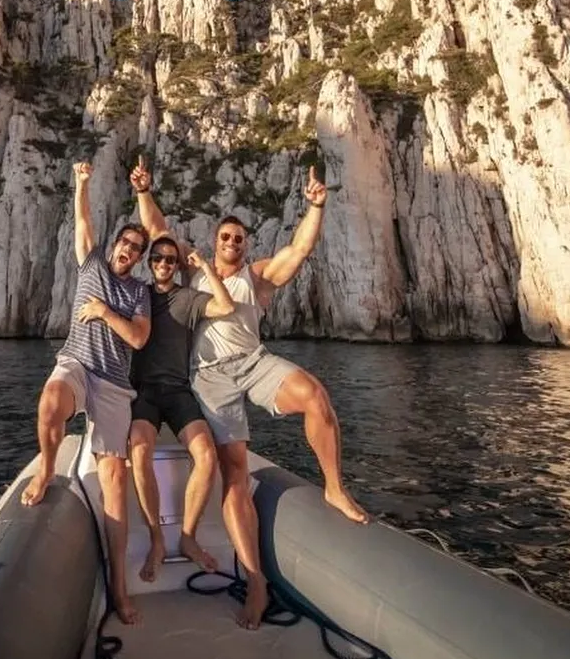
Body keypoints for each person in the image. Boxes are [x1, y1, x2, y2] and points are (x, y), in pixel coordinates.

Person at [131, 160, 369, 630]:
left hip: (256, 362)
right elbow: (157, 230)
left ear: (246, 245)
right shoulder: (193, 272)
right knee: (235, 472)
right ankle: (256, 582)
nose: (232, 242)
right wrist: (143, 192)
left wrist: (316, 206)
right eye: (226, 237)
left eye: (239, 238)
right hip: (210, 378)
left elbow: (299, 250)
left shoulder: (256, 277)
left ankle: (334, 487)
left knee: (315, 396)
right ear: (215, 240)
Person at [20, 161, 151, 626]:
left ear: (139, 257)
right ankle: (47, 471)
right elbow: (82, 221)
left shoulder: (139, 292)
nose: (128, 251)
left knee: (114, 478)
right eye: (125, 243)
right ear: (115, 245)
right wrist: (82, 183)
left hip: (113, 381)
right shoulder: (92, 262)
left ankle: (120, 584)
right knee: (50, 403)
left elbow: (138, 339)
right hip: (77, 362)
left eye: (137, 248)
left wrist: (103, 312)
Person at [127, 231, 235, 585]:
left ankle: (188, 536)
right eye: (157, 258)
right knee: (139, 450)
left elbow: (226, 307)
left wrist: (205, 266)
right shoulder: (139, 295)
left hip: (177, 392)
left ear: (176, 265)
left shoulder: (188, 298)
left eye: (170, 260)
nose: (163, 263)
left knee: (206, 455)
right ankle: (157, 539)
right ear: (149, 262)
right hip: (144, 392)